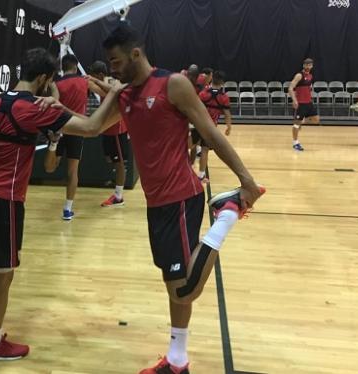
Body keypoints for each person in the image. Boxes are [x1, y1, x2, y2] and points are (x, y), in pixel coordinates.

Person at [0, 47, 122, 363]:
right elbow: (92, 127)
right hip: (5, 199)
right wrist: (117, 94)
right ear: (44, 78)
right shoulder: (36, 109)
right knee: (3, 275)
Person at [94, 24, 264, 373]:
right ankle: (177, 360)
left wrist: (246, 180)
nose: (112, 69)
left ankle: (228, 213)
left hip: (181, 197)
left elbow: (209, 131)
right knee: (173, 284)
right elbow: (90, 126)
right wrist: (51, 109)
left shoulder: (173, 84)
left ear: (135, 54)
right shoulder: (125, 95)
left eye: (115, 61)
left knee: (183, 289)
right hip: (156, 203)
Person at [43, 54, 89, 220]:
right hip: (77, 128)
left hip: (60, 127)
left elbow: (53, 104)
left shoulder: (56, 84)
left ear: (62, 68)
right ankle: (67, 209)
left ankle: (53, 144)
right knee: (72, 171)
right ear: (76, 67)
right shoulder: (85, 82)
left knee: (50, 168)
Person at [88, 60, 129, 206]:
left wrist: (90, 81)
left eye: (93, 75)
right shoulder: (103, 83)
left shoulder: (112, 82)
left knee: (119, 163)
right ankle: (117, 182)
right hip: (107, 128)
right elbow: (96, 89)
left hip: (117, 128)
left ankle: (119, 196)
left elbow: (107, 90)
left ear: (99, 74)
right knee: (110, 159)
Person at [196, 70, 233, 183]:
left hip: (198, 123)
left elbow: (195, 107)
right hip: (210, 127)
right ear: (222, 82)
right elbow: (227, 114)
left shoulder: (203, 93)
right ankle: (201, 175)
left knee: (192, 148)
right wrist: (228, 127)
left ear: (212, 79)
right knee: (205, 150)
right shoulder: (224, 97)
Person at [289, 58, 319, 151]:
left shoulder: (310, 76)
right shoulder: (299, 75)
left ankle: (303, 120)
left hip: (308, 102)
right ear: (303, 65)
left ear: (312, 66)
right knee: (296, 125)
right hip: (300, 104)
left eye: (310, 65)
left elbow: (307, 88)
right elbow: (290, 88)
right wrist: (294, 100)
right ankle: (295, 143)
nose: (308, 66)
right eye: (306, 65)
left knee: (316, 119)